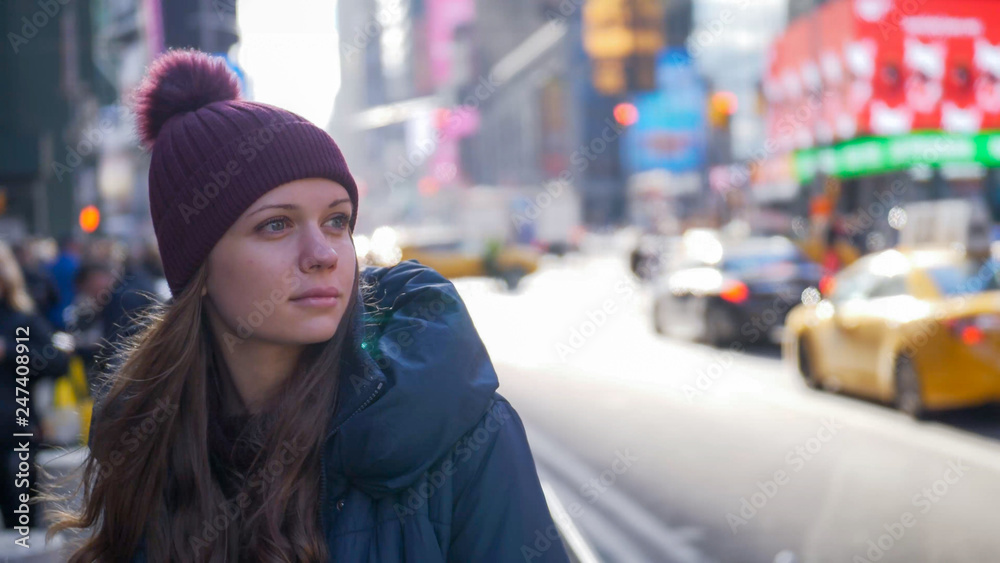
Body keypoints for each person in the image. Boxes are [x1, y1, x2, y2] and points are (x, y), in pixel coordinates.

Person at [45, 49, 569, 562]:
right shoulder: (145, 446)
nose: (323, 255)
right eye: (276, 224)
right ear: (198, 268)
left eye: (337, 221)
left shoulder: (460, 429)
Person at [0, 240, 71, 530]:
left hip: (14, 434)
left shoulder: (21, 317)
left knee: (21, 527)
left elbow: (57, 361)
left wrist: (10, 353)